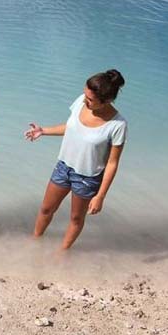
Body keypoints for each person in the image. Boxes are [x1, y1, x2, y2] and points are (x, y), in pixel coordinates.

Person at [25, 69, 127, 249]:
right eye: (85, 94)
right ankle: (34, 242)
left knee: (76, 218)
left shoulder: (117, 125)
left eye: (90, 100)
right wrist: (44, 131)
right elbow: (72, 127)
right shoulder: (81, 101)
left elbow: (112, 163)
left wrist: (101, 196)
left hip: (88, 177)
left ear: (107, 101)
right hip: (64, 167)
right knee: (46, 209)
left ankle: (61, 254)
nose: (85, 100)